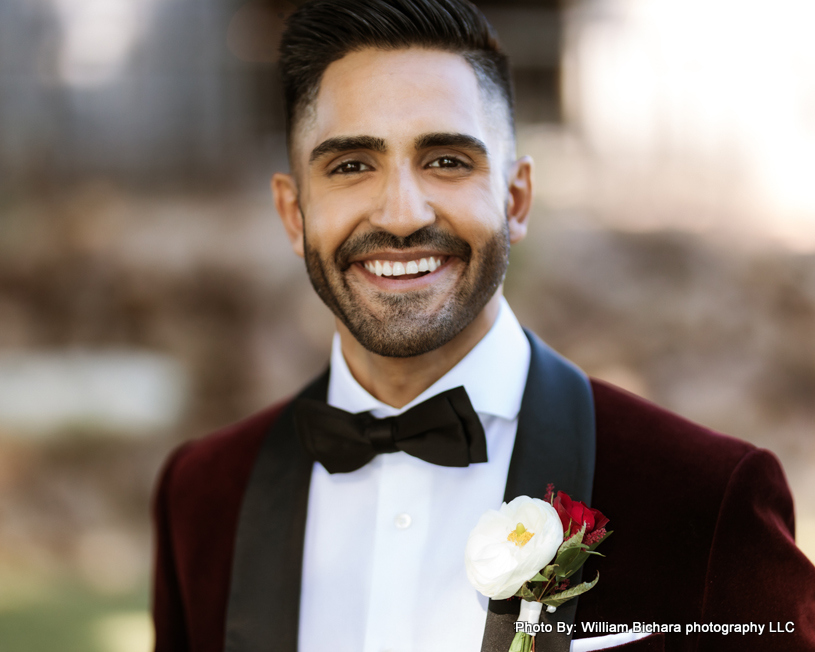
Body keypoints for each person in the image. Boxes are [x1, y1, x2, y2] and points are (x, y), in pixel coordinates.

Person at [151, 1, 815, 651]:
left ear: (515, 199)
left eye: (446, 161)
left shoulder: (706, 498)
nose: (402, 213)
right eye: (351, 165)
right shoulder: (200, 498)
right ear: (293, 215)